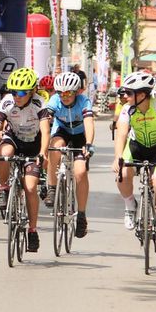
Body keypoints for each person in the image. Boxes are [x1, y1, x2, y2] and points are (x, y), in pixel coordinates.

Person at [111, 72, 156, 252]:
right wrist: (118, 157)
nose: (125, 96)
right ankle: (130, 206)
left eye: (129, 93)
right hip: (136, 146)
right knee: (123, 174)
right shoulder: (127, 109)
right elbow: (121, 134)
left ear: (142, 95)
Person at [0, 67, 51, 253]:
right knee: (4, 152)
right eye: (14, 91)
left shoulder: (39, 103)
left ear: (31, 91)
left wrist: (43, 153)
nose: (17, 96)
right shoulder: (7, 102)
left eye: (21, 92)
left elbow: (45, 131)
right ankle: (4, 189)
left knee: (30, 187)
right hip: (14, 138)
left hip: (34, 144)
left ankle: (32, 230)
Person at [45, 72, 94, 238]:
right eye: (60, 93)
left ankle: (81, 215)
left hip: (80, 135)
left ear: (77, 92)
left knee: (80, 171)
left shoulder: (84, 101)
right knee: (54, 148)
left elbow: (89, 123)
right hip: (62, 131)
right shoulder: (54, 101)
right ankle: (52, 188)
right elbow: (45, 120)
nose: (64, 97)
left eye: (68, 93)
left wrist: (89, 143)